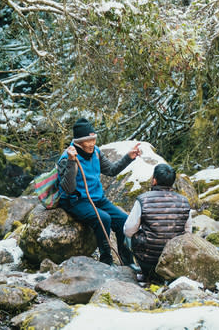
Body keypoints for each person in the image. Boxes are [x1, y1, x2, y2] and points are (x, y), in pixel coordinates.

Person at [57, 118, 142, 266]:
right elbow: (68, 188)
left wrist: (129, 157)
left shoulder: (96, 152)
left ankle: (127, 261)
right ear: (78, 142)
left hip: (97, 198)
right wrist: (72, 162)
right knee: (104, 219)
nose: (92, 144)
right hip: (75, 201)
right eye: (87, 141)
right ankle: (106, 260)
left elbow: (111, 170)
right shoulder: (66, 158)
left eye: (93, 139)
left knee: (124, 220)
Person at [124, 163, 191, 282]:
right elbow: (188, 232)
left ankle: (143, 272)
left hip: (149, 260)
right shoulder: (184, 201)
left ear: (154, 180)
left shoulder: (143, 199)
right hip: (174, 258)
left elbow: (129, 230)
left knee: (128, 235)